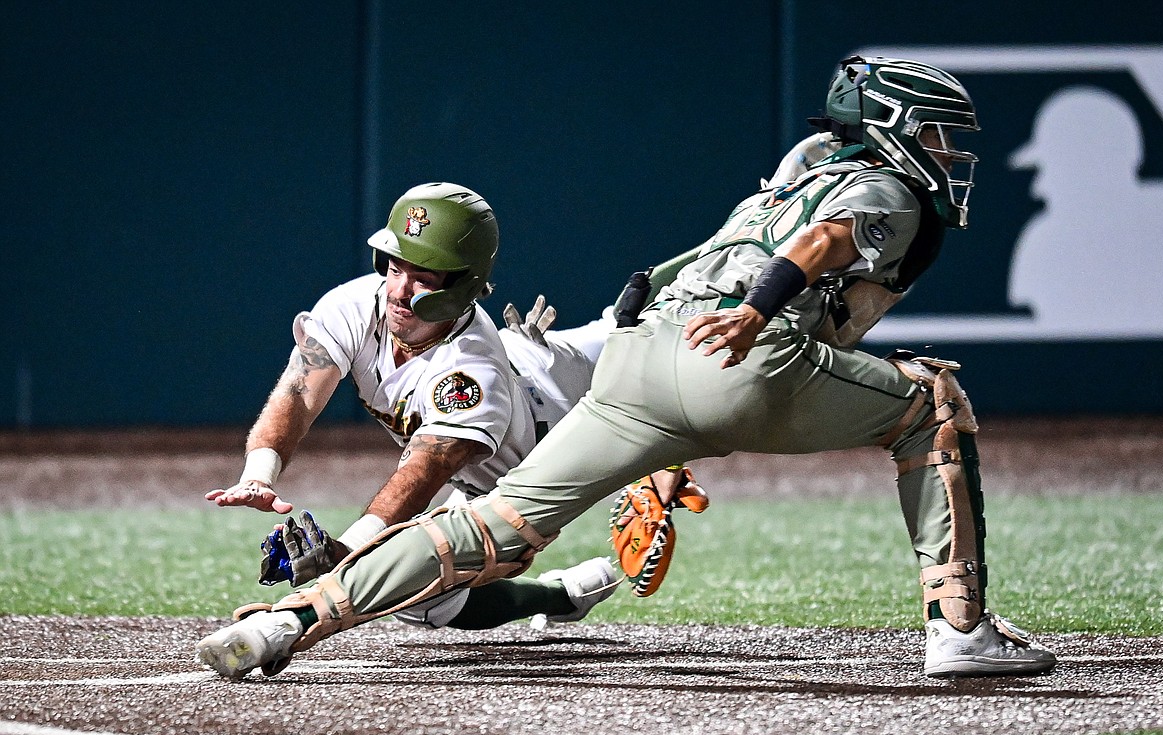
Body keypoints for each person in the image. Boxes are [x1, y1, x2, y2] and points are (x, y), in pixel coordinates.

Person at [198, 55, 1055, 680]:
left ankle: (290, 621)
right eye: (937, 133)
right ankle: (959, 626)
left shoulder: (789, 178)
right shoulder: (882, 191)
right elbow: (821, 243)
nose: (946, 153)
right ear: (893, 128)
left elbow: (687, 266)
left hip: (639, 363)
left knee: (492, 532)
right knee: (934, 399)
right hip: (741, 360)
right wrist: (760, 307)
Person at [203, 182, 627, 634]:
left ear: (463, 283)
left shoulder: (469, 374)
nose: (399, 290)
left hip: (540, 452)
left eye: (423, 276)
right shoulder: (356, 304)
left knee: (398, 582)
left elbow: (423, 472)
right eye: (394, 265)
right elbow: (298, 396)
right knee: (620, 321)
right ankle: (565, 595)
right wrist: (259, 475)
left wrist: (346, 553)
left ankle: (565, 589)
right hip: (528, 369)